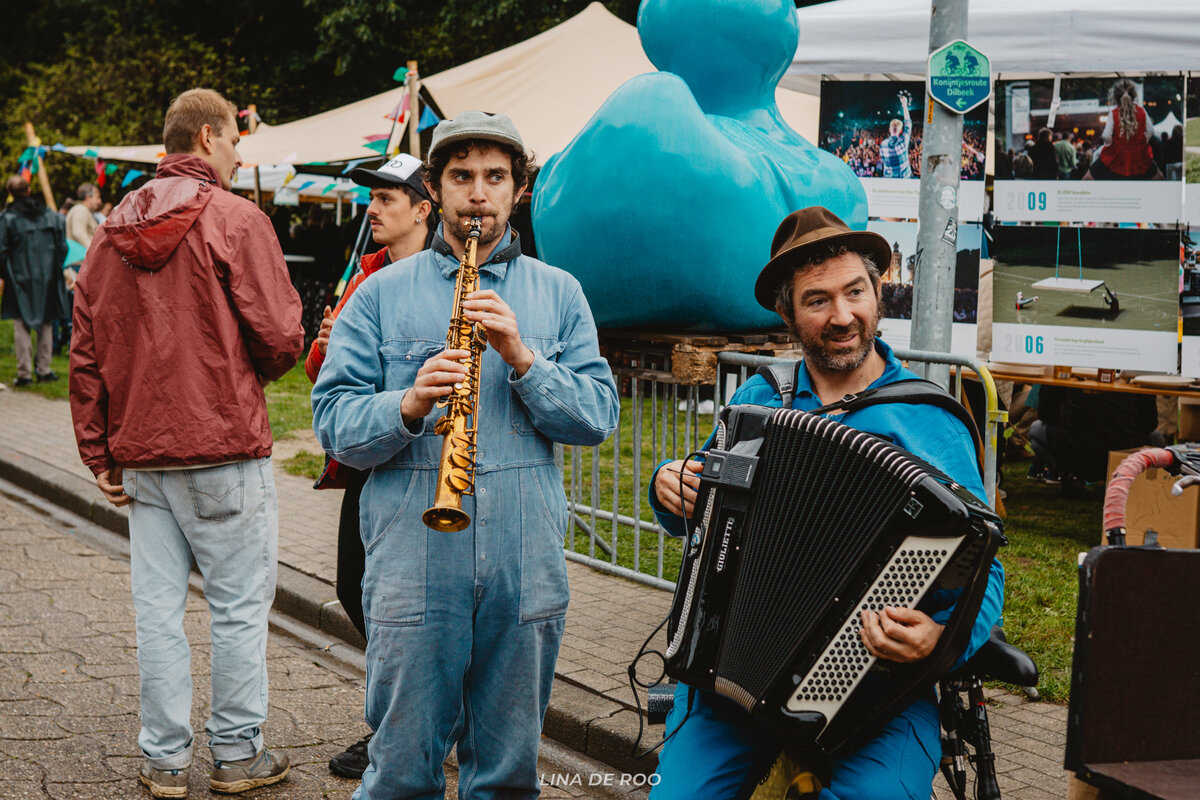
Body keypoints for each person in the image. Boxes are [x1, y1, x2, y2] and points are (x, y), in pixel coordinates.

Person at [312, 111, 620, 799]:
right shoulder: (378, 295)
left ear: (519, 189)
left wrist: (524, 360)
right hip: (412, 561)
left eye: (495, 177)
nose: (478, 193)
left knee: (508, 774)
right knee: (400, 770)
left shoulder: (561, 293)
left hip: (524, 562)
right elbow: (332, 425)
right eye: (461, 177)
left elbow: (598, 417)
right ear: (435, 188)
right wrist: (407, 404)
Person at [647, 207, 1004, 800]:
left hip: (879, 693)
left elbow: (985, 569)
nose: (842, 316)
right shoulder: (761, 399)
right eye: (817, 300)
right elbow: (705, 503)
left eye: (855, 292)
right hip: (733, 677)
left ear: (878, 292)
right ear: (787, 314)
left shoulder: (929, 420)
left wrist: (941, 639)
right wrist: (669, 486)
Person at [69, 88, 304, 798]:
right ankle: (236, 753)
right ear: (207, 137)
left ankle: (165, 761)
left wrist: (97, 452)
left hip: (143, 453)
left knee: (157, 615)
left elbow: (86, 353)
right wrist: (244, 369)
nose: (236, 155)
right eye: (233, 141)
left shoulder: (109, 232)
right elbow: (281, 336)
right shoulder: (236, 219)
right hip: (222, 443)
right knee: (237, 610)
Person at [303, 152, 434, 780]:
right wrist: (326, 348)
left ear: (423, 209)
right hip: (369, 461)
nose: (373, 208)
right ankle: (417, 717)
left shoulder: (448, 280)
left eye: (386, 197)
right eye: (372, 197)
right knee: (355, 589)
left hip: (430, 462)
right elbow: (323, 382)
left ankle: (399, 730)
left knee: (406, 603)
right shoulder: (365, 276)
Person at [0, 175, 68, 387]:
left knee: (21, 324)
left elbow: (2, 251)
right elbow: (62, 247)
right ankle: (44, 369)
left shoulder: (7, 219)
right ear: (29, 190)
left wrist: (5, 275)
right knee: (46, 323)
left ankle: (25, 373)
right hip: (47, 276)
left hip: (19, 277)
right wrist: (55, 268)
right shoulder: (50, 216)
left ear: (10, 194)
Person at [1086, 79, 1161, 181]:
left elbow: (1107, 136)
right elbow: (1151, 131)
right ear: (1134, 95)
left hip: (1116, 156)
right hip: (1138, 157)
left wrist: (1109, 145)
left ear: (1116, 97)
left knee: (1087, 178)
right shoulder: (1142, 111)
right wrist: (1141, 142)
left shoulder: (1113, 113)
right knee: (1160, 177)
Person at [878, 91, 913, 179]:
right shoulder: (903, 141)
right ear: (901, 131)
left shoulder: (883, 144)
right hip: (904, 179)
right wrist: (904, 105)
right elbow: (908, 124)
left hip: (889, 180)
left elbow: (884, 162)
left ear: (889, 130)